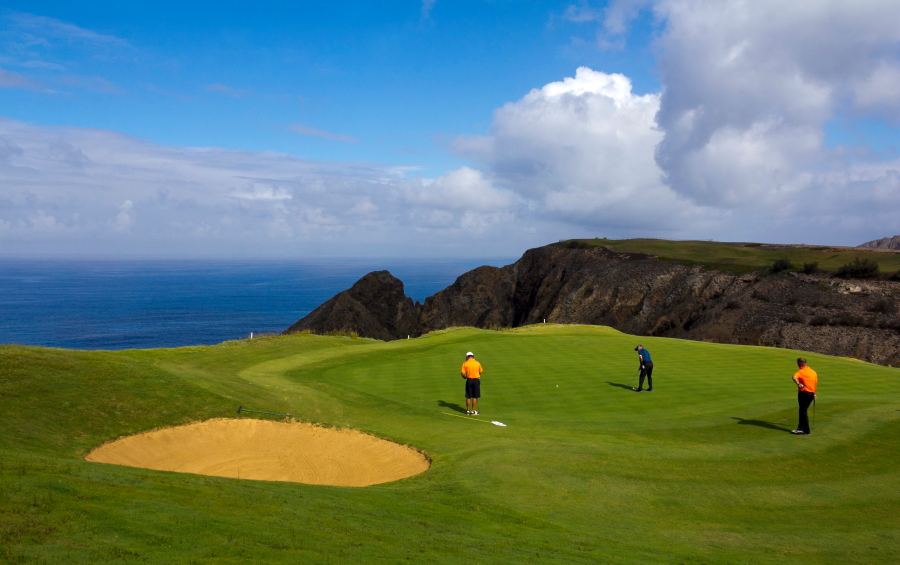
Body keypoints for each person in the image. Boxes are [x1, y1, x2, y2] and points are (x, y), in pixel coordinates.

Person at [791, 358, 817, 435]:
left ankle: (806, 430)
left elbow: (794, 377)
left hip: (804, 393)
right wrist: (814, 393)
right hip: (811, 394)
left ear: (799, 364)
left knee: (803, 411)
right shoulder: (813, 372)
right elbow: (814, 383)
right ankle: (800, 428)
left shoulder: (801, 371)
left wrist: (798, 384)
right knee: (803, 410)